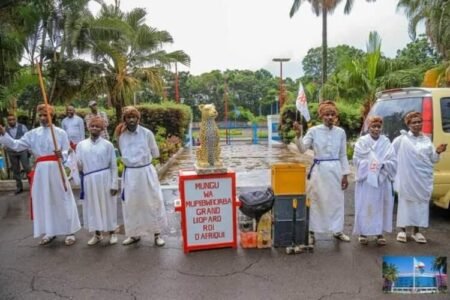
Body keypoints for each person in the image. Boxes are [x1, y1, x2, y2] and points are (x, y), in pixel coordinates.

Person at [0, 104, 81, 246]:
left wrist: (60, 154)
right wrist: (3, 135)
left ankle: (70, 231)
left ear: (52, 116)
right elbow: (16, 145)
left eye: (46, 115)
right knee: (45, 200)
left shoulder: (60, 133)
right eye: (41, 116)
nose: (43, 118)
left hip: (56, 168)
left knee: (63, 198)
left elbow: (67, 151)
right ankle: (50, 231)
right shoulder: (33, 134)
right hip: (41, 171)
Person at [293, 100, 351, 245]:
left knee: (336, 201)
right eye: (326, 114)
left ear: (336, 116)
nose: (330, 117)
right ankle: (312, 231)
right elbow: (302, 149)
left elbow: (343, 154)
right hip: (319, 170)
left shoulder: (341, 132)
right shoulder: (314, 131)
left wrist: (345, 175)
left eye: (332, 114)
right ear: (321, 116)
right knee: (316, 200)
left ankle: (337, 230)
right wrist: (299, 135)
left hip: (336, 169)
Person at [115, 106, 167, 247]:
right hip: (130, 173)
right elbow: (122, 153)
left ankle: (157, 235)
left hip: (145, 172)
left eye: (134, 117)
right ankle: (134, 234)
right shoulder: (121, 135)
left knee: (152, 202)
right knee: (132, 204)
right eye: (128, 117)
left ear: (138, 118)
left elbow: (155, 153)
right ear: (124, 119)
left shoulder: (146, 133)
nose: (131, 120)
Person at [392, 111, 447, 244]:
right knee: (406, 203)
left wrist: (438, 151)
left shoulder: (426, 140)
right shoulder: (402, 139)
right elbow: (391, 154)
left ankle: (417, 231)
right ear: (408, 124)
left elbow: (433, 159)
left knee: (421, 204)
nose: (417, 124)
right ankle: (402, 230)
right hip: (407, 178)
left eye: (419, 122)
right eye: (414, 122)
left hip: (422, 179)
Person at [352, 116, 397, 246]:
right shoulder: (362, 141)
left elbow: (393, 160)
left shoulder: (386, 142)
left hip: (381, 180)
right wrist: (372, 164)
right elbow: (356, 159)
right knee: (364, 205)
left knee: (381, 205)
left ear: (381, 128)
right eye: (373, 126)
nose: (376, 129)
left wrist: (382, 165)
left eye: (378, 127)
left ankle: (379, 233)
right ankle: (363, 233)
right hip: (366, 180)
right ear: (369, 127)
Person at [76, 116, 119, 245]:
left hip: (104, 178)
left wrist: (114, 184)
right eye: (92, 126)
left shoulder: (108, 145)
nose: (94, 128)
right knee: (93, 207)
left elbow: (113, 165)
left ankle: (112, 233)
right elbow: (78, 164)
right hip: (89, 180)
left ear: (102, 129)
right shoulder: (81, 145)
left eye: (97, 126)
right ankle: (97, 234)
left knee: (108, 206)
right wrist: (70, 158)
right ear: (88, 127)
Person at [4, 115, 31, 194]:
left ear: (16, 120)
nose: (11, 121)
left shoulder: (22, 127)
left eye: (13, 119)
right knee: (15, 169)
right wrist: (4, 146)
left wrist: (28, 148)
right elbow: (2, 139)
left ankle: (32, 185)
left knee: (27, 168)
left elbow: (28, 137)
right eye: (9, 120)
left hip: (22, 150)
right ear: (7, 121)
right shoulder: (5, 129)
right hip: (12, 152)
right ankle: (19, 187)